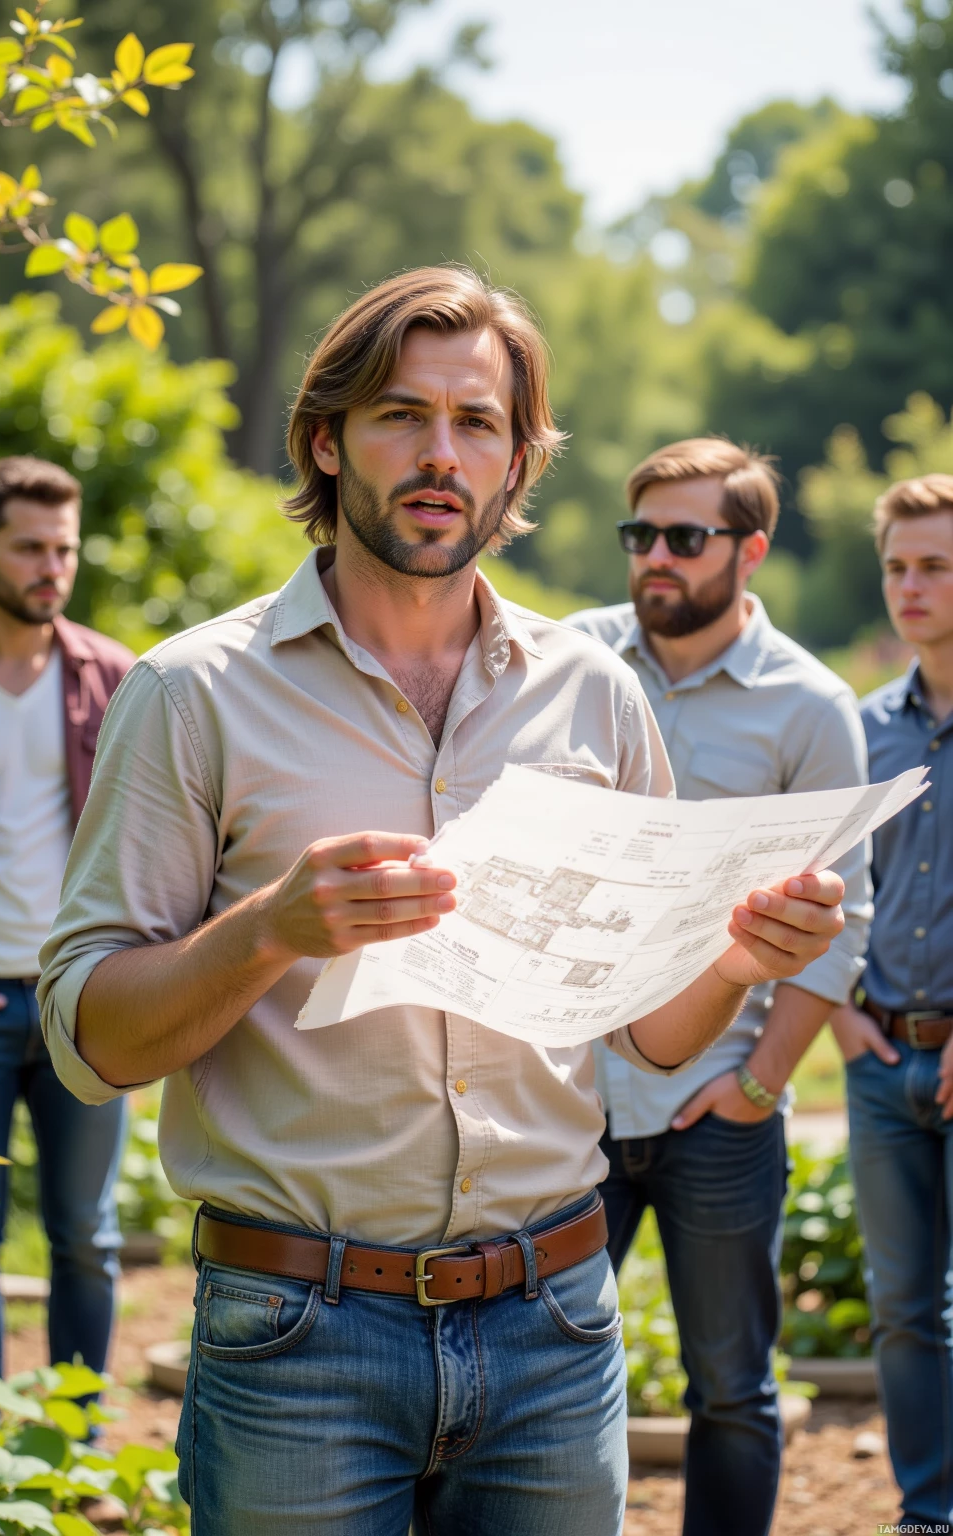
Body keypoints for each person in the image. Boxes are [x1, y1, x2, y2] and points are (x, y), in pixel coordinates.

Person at [38, 268, 845, 1536]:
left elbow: (647, 1031)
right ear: (326, 438)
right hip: (299, 1334)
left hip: (555, 1325)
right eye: (401, 415)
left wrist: (737, 958)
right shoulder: (192, 693)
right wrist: (269, 932)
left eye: (478, 424)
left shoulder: (592, 694)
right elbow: (89, 1041)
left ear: (518, 461)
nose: (440, 455)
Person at [568, 437, 871, 1536]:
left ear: (749, 550)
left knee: (732, 1393)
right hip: (571, 1102)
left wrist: (758, 1081)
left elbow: (842, 926)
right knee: (535, 1382)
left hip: (719, 1115)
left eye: (683, 538)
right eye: (638, 534)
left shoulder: (810, 708)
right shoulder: (569, 667)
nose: (654, 557)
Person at [0, 456, 133, 1380]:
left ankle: (75, 1447)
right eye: (29, 549)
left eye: (65, 548)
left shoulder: (120, 681)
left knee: (87, 1239)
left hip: (80, 1010)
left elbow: (156, 844)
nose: (52, 567)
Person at [830, 473, 953, 1534]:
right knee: (903, 1311)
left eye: (934, 567)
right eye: (896, 567)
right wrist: (835, 1016)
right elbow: (821, 889)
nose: (909, 588)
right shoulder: (859, 731)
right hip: (879, 1063)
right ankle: (926, 1512)